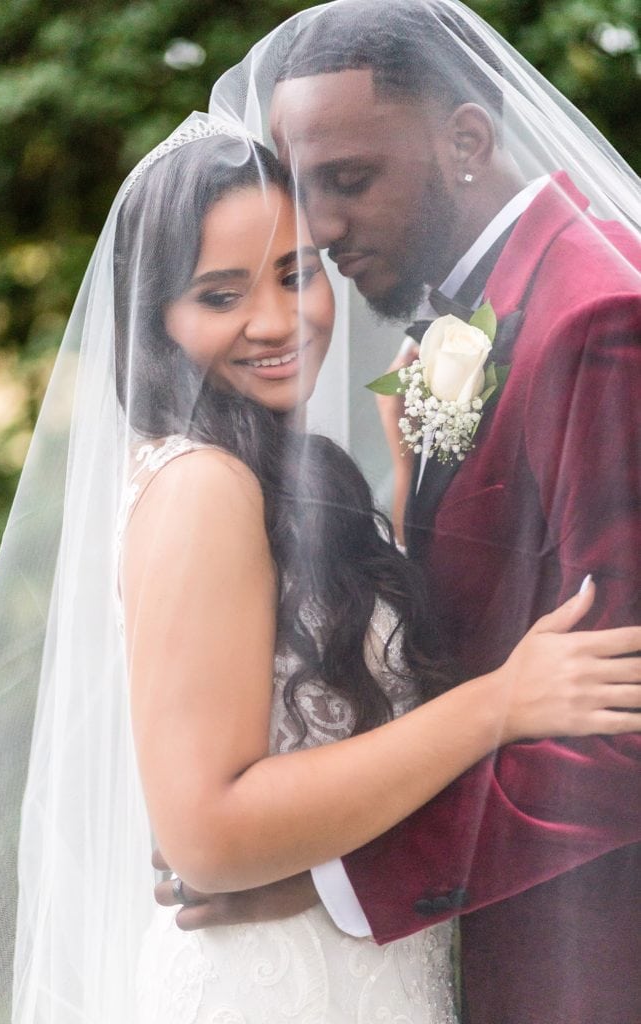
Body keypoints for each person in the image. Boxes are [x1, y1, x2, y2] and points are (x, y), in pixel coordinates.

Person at [0, 113, 639, 1024]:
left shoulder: (278, 475)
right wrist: (501, 703)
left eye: (296, 273)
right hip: (280, 988)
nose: (277, 321)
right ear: (153, 317)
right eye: (220, 294)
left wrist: (406, 496)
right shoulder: (201, 485)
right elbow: (204, 833)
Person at [152, 3, 641, 1022]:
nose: (319, 231)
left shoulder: (597, 316)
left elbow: (621, 722)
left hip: (587, 956)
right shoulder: (482, 309)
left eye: (348, 180)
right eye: (304, 186)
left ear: (463, 141)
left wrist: (327, 880)